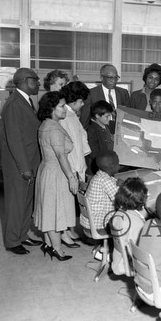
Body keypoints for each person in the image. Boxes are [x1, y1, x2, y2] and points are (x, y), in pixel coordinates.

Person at [0, 67, 42, 255]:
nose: (39, 83)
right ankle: (12, 240)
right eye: (36, 80)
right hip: (20, 163)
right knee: (16, 203)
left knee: (26, 201)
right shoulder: (14, 104)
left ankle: (22, 234)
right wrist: (24, 168)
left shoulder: (26, 101)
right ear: (25, 81)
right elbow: (14, 139)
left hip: (30, 159)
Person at [33, 92, 78, 261]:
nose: (65, 109)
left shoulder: (46, 124)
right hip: (56, 173)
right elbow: (61, 156)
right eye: (61, 106)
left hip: (46, 169)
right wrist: (71, 178)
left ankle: (48, 243)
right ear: (51, 109)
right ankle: (58, 249)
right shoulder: (54, 129)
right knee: (54, 211)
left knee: (48, 208)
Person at [59, 81, 92, 245]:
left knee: (73, 200)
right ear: (72, 100)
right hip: (71, 164)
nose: (83, 104)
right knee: (66, 200)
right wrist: (74, 171)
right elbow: (68, 145)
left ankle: (69, 230)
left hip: (77, 161)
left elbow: (81, 137)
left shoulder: (72, 114)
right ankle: (63, 232)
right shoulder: (65, 116)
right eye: (80, 101)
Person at [110, 177, 147, 276]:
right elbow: (139, 252)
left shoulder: (119, 213)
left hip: (118, 258)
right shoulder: (137, 223)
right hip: (128, 263)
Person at [79, 64, 130, 132]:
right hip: (99, 135)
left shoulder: (123, 93)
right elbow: (85, 120)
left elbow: (128, 117)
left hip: (119, 133)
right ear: (102, 78)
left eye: (116, 77)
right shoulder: (91, 94)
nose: (113, 81)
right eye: (110, 78)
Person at [80, 151, 120, 237]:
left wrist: (118, 183)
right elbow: (121, 199)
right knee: (130, 221)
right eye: (118, 163)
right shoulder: (106, 181)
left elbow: (112, 184)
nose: (119, 165)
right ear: (112, 166)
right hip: (99, 227)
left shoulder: (98, 176)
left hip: (88, 224)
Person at [87, 100, 115, 174]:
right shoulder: (92, 130)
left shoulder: (106, 125)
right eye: (107, 116)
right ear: (97, 116)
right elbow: (94, 154)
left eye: (110, 116)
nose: (109, 118)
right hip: (99, 170)